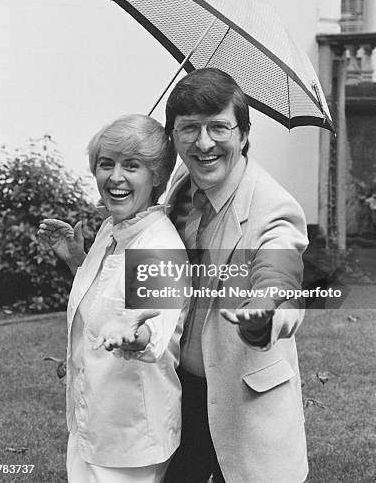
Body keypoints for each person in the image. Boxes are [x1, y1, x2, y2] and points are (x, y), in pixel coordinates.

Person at [163, 68, 309, 483]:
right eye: (189, 128)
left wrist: (265, 312)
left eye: (219, 127)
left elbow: (280, 272)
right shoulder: (177, 188)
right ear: (173, 136)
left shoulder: (272, 205)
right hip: (180, 391)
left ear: (243, 134)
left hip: (245, 403)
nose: (204, 142)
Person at [38, 114, 189, 483]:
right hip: (92, 420)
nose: (115, 177)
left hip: (129, 438)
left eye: (132, 165)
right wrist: (77, 259)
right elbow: (106, 299)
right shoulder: (113, 229)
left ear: (157, 177)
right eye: (107, 164)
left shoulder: (159, 248)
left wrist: (133, 333)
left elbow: (153, 335)